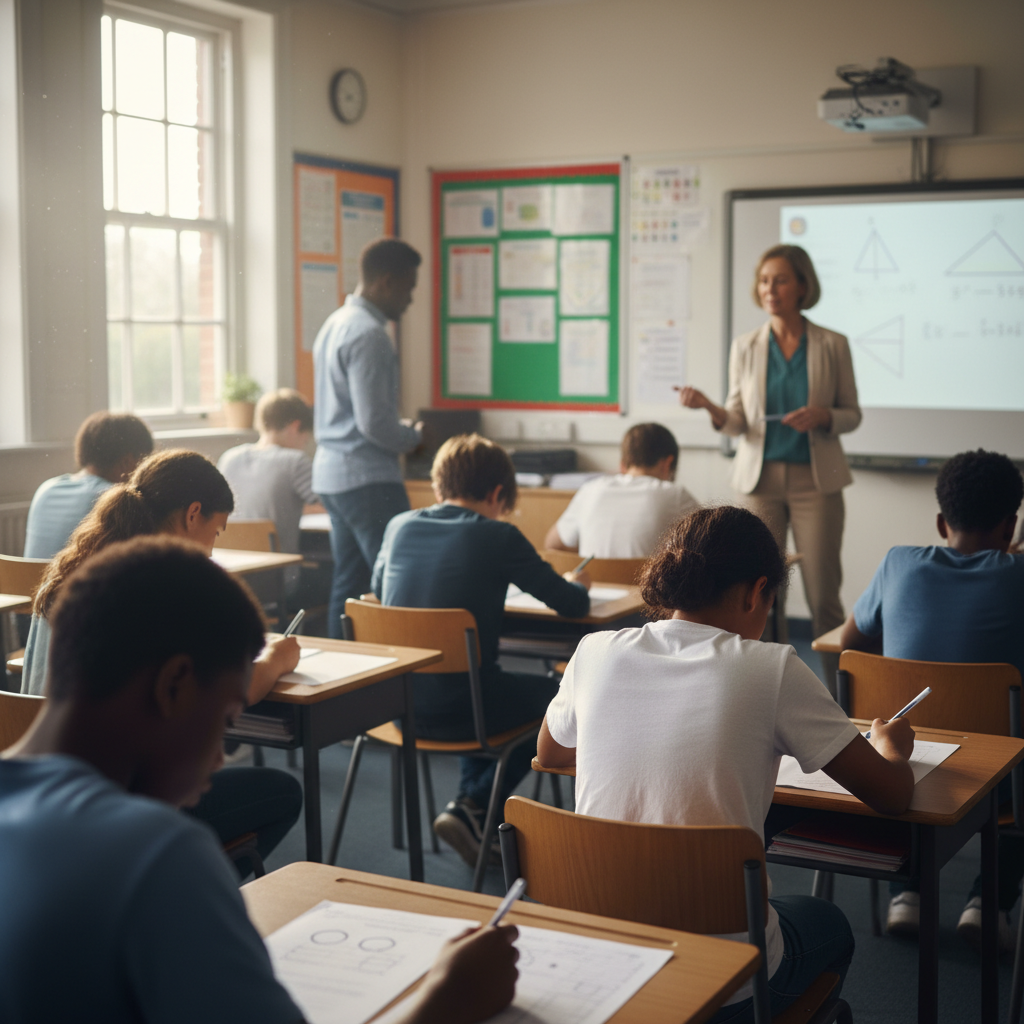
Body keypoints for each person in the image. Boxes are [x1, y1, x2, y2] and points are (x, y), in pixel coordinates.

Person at [0, 537, 519, 1024]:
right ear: (175, 684)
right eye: (224, 723)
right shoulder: (155, 853)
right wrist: (445, 999)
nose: (221, 760)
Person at [538, 505, 915, 1023]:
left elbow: (551, 752)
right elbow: (892, 796)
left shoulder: (596, 650)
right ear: (757, 590)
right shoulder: (772, 668)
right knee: (830, 924)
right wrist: (890, 746)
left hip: (603, 961)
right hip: (727, 977)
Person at [20, 449, 303, 872]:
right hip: (115, 797)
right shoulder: (160, 586)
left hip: (39, 789)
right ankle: (179, 877)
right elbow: (235, 687)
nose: (211, 551)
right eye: (217, 532)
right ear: (193, 514)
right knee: (282, 792)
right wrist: (279, 657)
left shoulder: (74, 569)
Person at [373, 434, 590, 866]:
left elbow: (381, 595)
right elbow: (571, 604)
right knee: (565, 702)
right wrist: (579, 585)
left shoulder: (398, 525)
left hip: (399, 706)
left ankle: (473, 814)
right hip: (467, 708)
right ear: (496, 494)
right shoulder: (497, 536)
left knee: (482, 682)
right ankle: (473, 806)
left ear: (438, 487)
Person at [840, 448, 1024, 947]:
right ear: (1010, 526)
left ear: (942, 521)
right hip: (1002, 783)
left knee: (911, 739)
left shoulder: (898, 563)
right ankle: (989, 904)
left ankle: (909, 893)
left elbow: (847, 644)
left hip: (908, 765)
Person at [678, 245, 861, 679]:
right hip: (758, 481)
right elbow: (738, 421)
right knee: (751, 592)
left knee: (823, 595)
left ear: (802, 285)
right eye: (763, 281)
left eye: (779, 280)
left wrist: (824, 416)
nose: (769, 289)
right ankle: (758, 689)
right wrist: (708, 406)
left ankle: (838, 701)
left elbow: (852, 413)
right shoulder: (746, 347)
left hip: (817, 482)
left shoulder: (832, 344)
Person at [313, 238, 425, 637]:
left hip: (332, 475)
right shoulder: (370, 335)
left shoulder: (335, 324)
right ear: (386, 282)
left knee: (350, 582)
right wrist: (412, 438)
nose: (410, 300)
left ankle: (340, 675)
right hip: (367, 478)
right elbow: (375, 423)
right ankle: (398, 675)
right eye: (409, 288)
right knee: (396, 581)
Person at [218, 388, 318, 603]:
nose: (305, 443)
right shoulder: (295, 461)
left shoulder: (229, 458)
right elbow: (327, 505)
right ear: (296, 426)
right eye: (306, 438)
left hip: (229, 577)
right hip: (276, 582)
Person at [544, 422, 699, 558]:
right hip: (646, 590)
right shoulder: (676, 495)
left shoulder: (590, 489)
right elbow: (713, 544)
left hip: (595, 589)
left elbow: (552, 544)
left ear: (622, 465)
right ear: (668, 464)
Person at [24, 411, 153, 558]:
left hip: (29, 581)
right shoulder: (113, 498)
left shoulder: (46, 489)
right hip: (75, 581)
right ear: (127, 462)